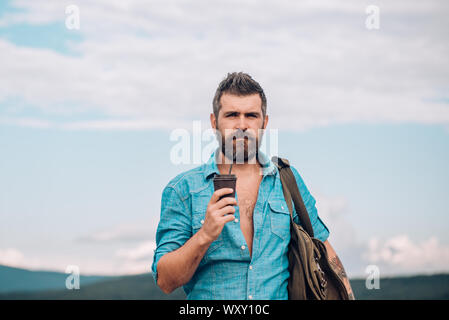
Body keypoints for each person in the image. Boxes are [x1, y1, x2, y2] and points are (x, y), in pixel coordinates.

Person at [151, 72, 355, 300]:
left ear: (264, 123)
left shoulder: (287, 180)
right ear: (214, 122)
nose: (241, 125)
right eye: (231, 115)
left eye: (251, 115)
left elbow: (325, 251)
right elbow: (165, 281)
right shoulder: (182, 189)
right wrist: (204, 235)